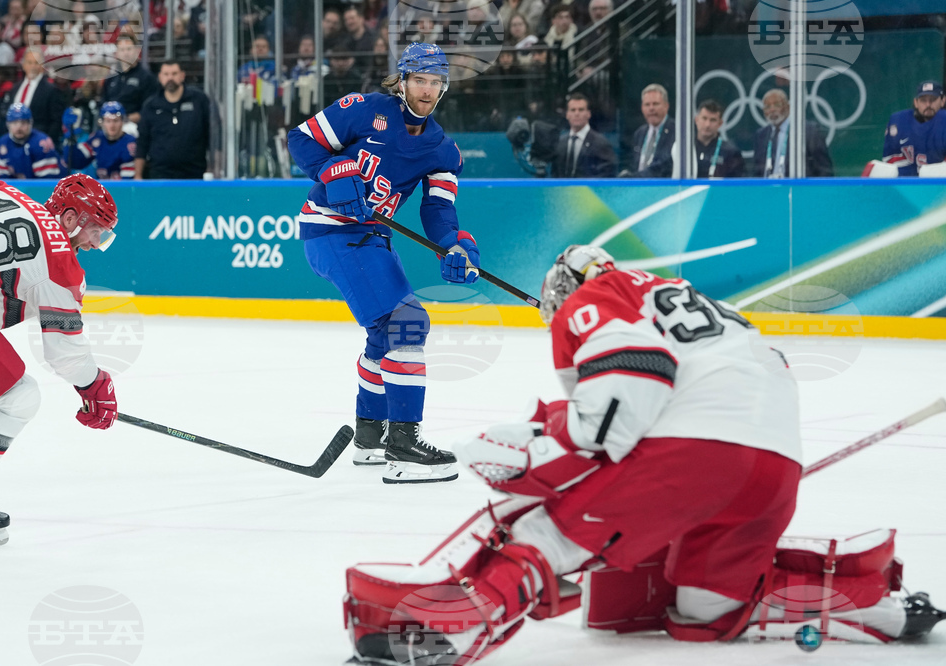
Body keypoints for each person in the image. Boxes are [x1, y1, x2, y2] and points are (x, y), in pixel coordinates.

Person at [343, 245, 946, 664]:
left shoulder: (602, 293)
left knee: (541, 533)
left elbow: (634, 372)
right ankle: (876, 608)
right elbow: (769, 370)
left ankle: (442, 632)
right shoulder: (700, 302)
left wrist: (553, 460)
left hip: (695, 448)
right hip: (774, 463)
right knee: (703, 613)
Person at [287, 42, 479, 485]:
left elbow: (439, 213)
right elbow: (301, 139)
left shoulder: (443, 150)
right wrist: (332, 171)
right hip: (329, 230)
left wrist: (457, 246)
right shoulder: (364, 109)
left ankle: (370, 437)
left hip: (373, 236)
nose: (428, 90)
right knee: (406, 323)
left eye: (436, 83)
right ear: (403, 80)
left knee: (387, 331)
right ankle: (404, 447)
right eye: (421, 80)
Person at [0, 171, 119, 546]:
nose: (94, 243)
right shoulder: (60, 261)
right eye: (95, 231)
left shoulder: (0, 189)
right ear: (70, 219)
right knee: (16, 399)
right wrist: (96, 384)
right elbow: (65, 353)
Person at [134, 60, 211, 179]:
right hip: (159, 174)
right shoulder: (150, 105)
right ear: (160, 77)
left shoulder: (199, 100)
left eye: (174, 74)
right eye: (166, 74)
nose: (170, 78)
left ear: (182, 76)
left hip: (194, 174)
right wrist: (138, 175)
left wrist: (214, 168)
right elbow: (142, 142)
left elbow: (212, 135)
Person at [753, 88, 833, 178]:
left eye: (777, 105)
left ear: (788, 107)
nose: (772, 109)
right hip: (767, 189)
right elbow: (757, 171)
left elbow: (824, 169)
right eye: (767, 106)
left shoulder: (807, 131)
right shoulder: (761, 135)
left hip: (798, 189)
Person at [883, 80, 944, 176]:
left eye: (932, 100)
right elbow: (889, 163)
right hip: (907, 186)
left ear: (942, 101)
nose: (928, 104)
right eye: (923, 100)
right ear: (916, 102)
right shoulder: (899, 122)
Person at [552, 92, 616, 177]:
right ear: (567, 114)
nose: (577, 114)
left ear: (588, 114)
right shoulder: (560, 143)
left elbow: (607, 175)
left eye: (581, 110)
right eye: (573, 110)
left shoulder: (601, 143)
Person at [12, 49, 68, 147]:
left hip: (39, 143)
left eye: (36, 63)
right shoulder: (15, 88)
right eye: (29, 62)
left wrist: (47, 142)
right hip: (14, 141)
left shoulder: (51, 90)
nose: (33, 66)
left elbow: (56, 121)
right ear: (23, 65)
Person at [67, 101, 136, 180]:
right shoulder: (97, 138)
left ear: (122, 121)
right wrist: (70, 137)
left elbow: (127, 182)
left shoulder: (129, 143)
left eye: (116, 121)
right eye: (108, 121)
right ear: (102, 122)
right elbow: (76, 162)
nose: (112, 125)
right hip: (101, 188)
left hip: (119, 189)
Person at [102, 34, 159, 125]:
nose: (126, 53)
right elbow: (103, 104)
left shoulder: (147, 78)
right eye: (122, 50)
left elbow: (150, 108)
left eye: (129, 49)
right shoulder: (110, 78)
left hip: (135, 126)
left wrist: (126, 119)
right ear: (117, 54)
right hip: (110, 125)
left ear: (136, 51)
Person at [0, 103, 64, 179]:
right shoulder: (2, 143)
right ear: (8, 124)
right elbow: (4, 179)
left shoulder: (41, 143)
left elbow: (46, 183)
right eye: (14, 123)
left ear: (30, 124)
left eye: (23, 123)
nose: (19, 127)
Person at [624, 83, 675, 178]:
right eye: (647, 104)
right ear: (642, 108)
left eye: (655, 104)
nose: (651, 108)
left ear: (666, 106)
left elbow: (665, 165)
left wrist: (636, 177)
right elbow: (633, 164)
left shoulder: (675, 131)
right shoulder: (640, 133)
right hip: (637, 188)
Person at [694, 99, 744, 178]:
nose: (707, 125)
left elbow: (736, 186)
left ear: (720, 123)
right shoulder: (686, 149)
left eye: (713, 120)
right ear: (696, 120)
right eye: (704, 118)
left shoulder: (731, 152)